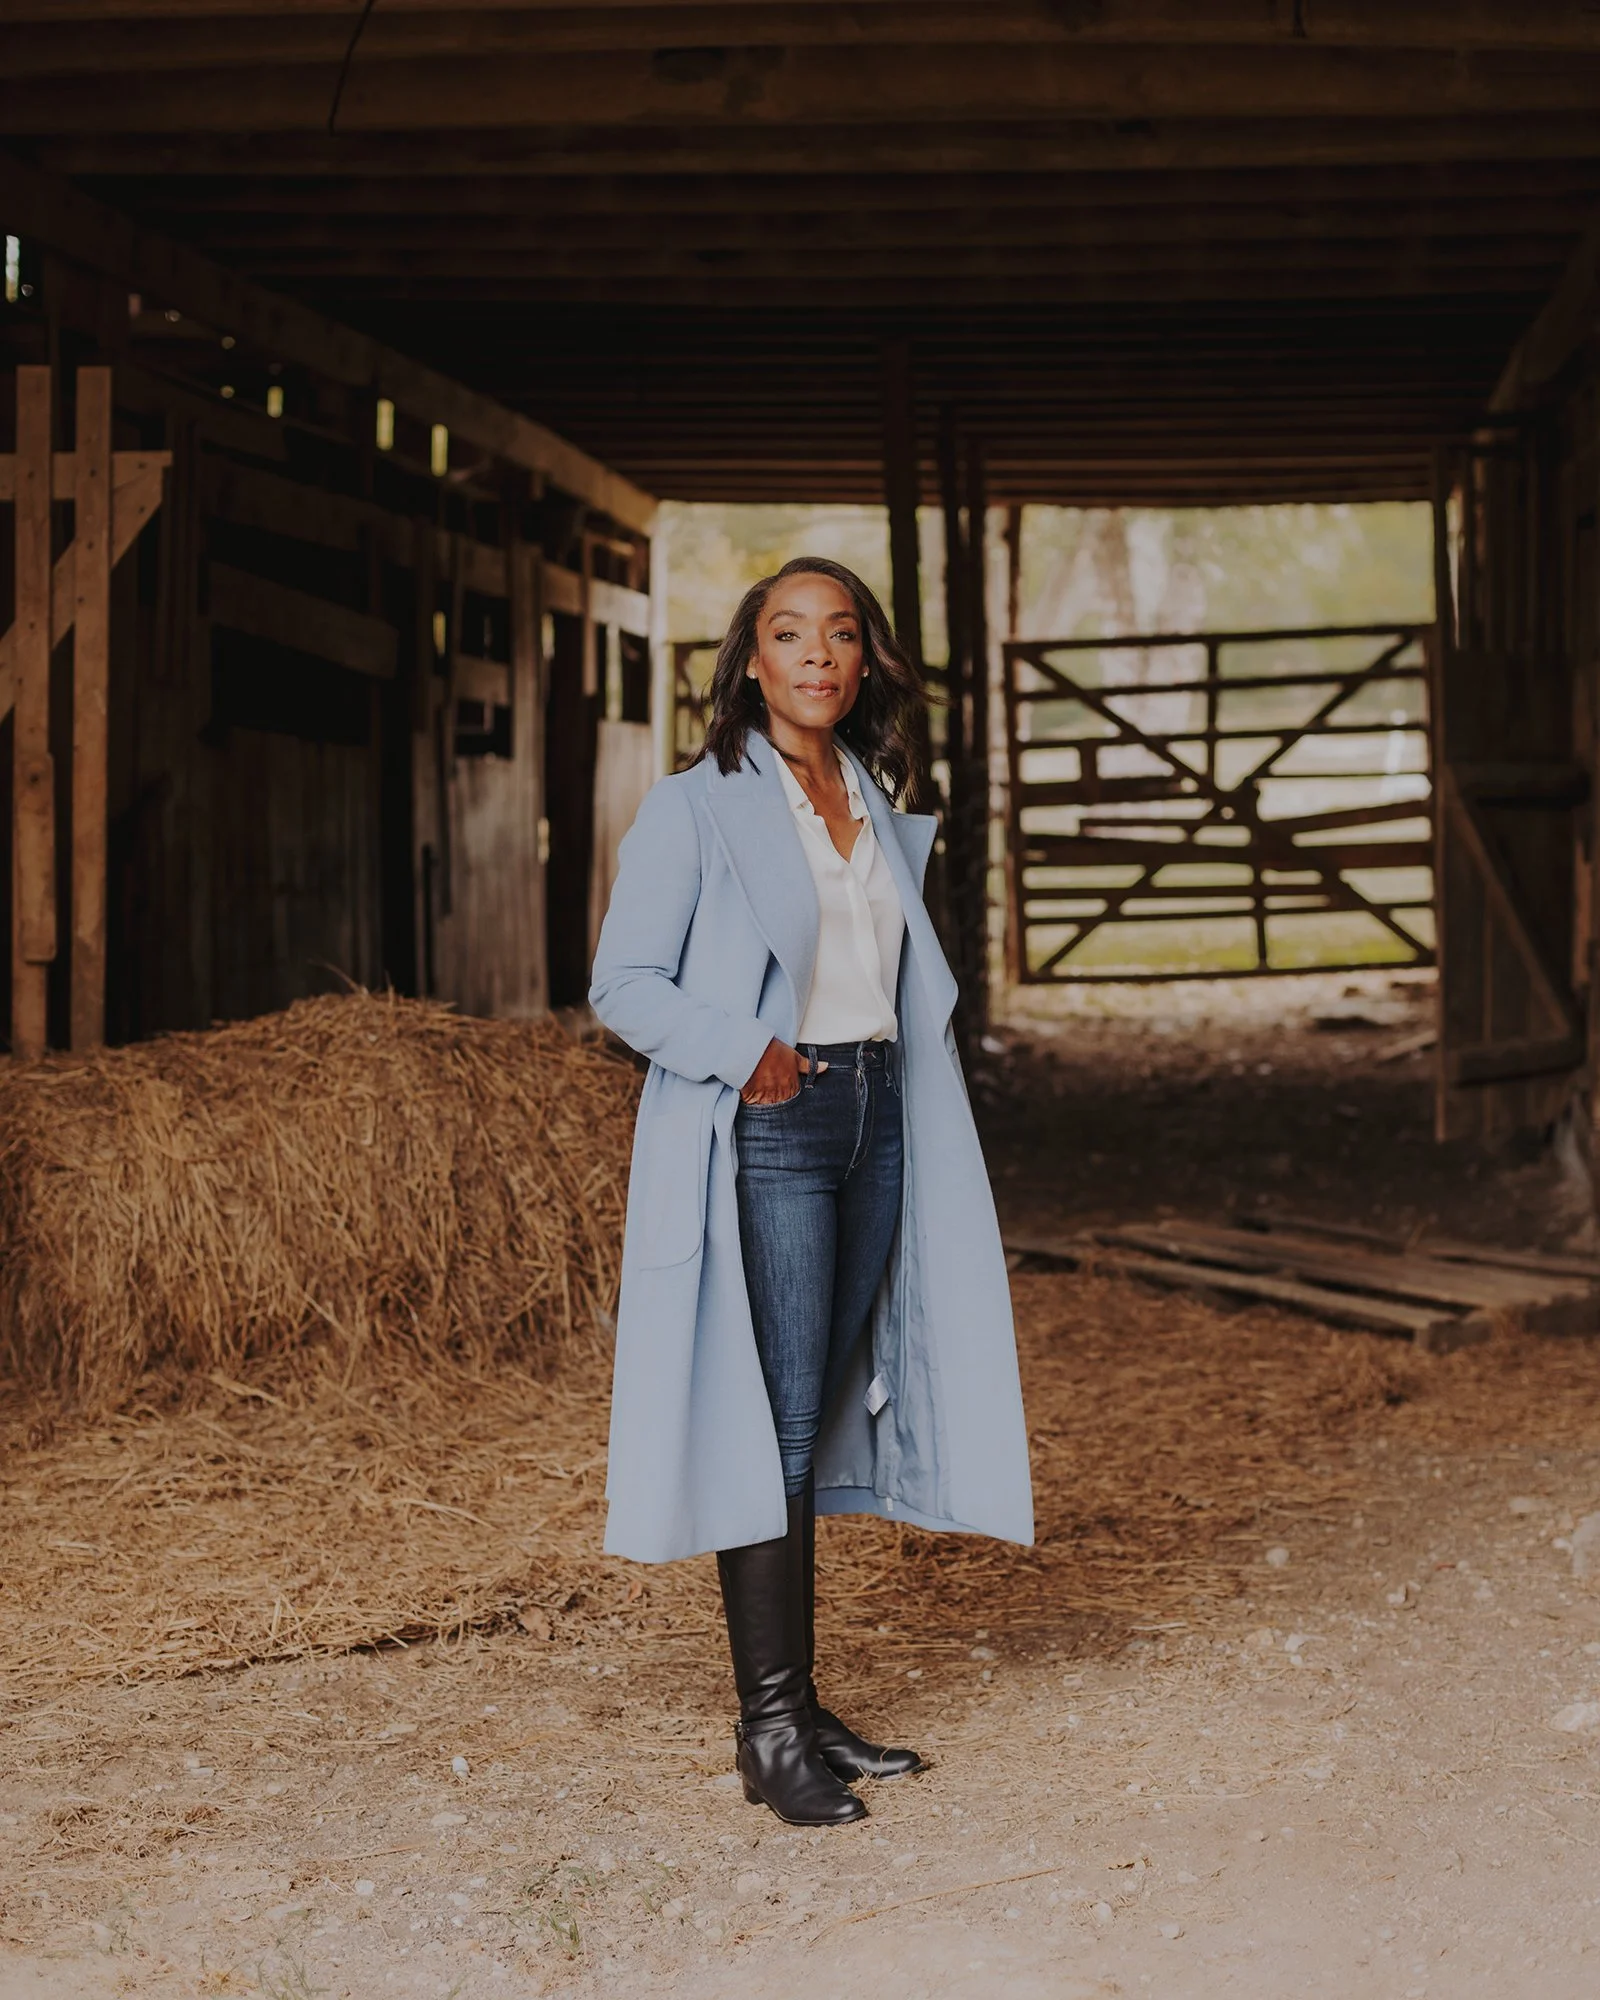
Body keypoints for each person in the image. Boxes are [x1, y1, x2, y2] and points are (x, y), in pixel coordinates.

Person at [589, 556, 1032, 1827]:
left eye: (840, 634)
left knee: (822, 1402)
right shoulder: (697, 805)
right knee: (774, 1419)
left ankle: (800, 1701)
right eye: (789, 634)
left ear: (866, 659)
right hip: (776, 1119)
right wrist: (748, 1052)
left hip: (877, 1114)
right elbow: (622, 984)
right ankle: (769, 1726)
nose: (817, 655)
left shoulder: (873, 796)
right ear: (750, 660)